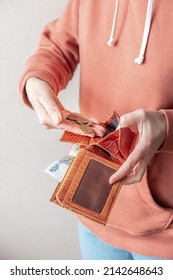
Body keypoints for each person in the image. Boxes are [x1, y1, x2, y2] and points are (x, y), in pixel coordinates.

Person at [19, 0, 173, 260]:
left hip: (165, 233)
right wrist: (37, 79)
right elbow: (58, 45)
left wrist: (167, 127)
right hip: (91, 206)